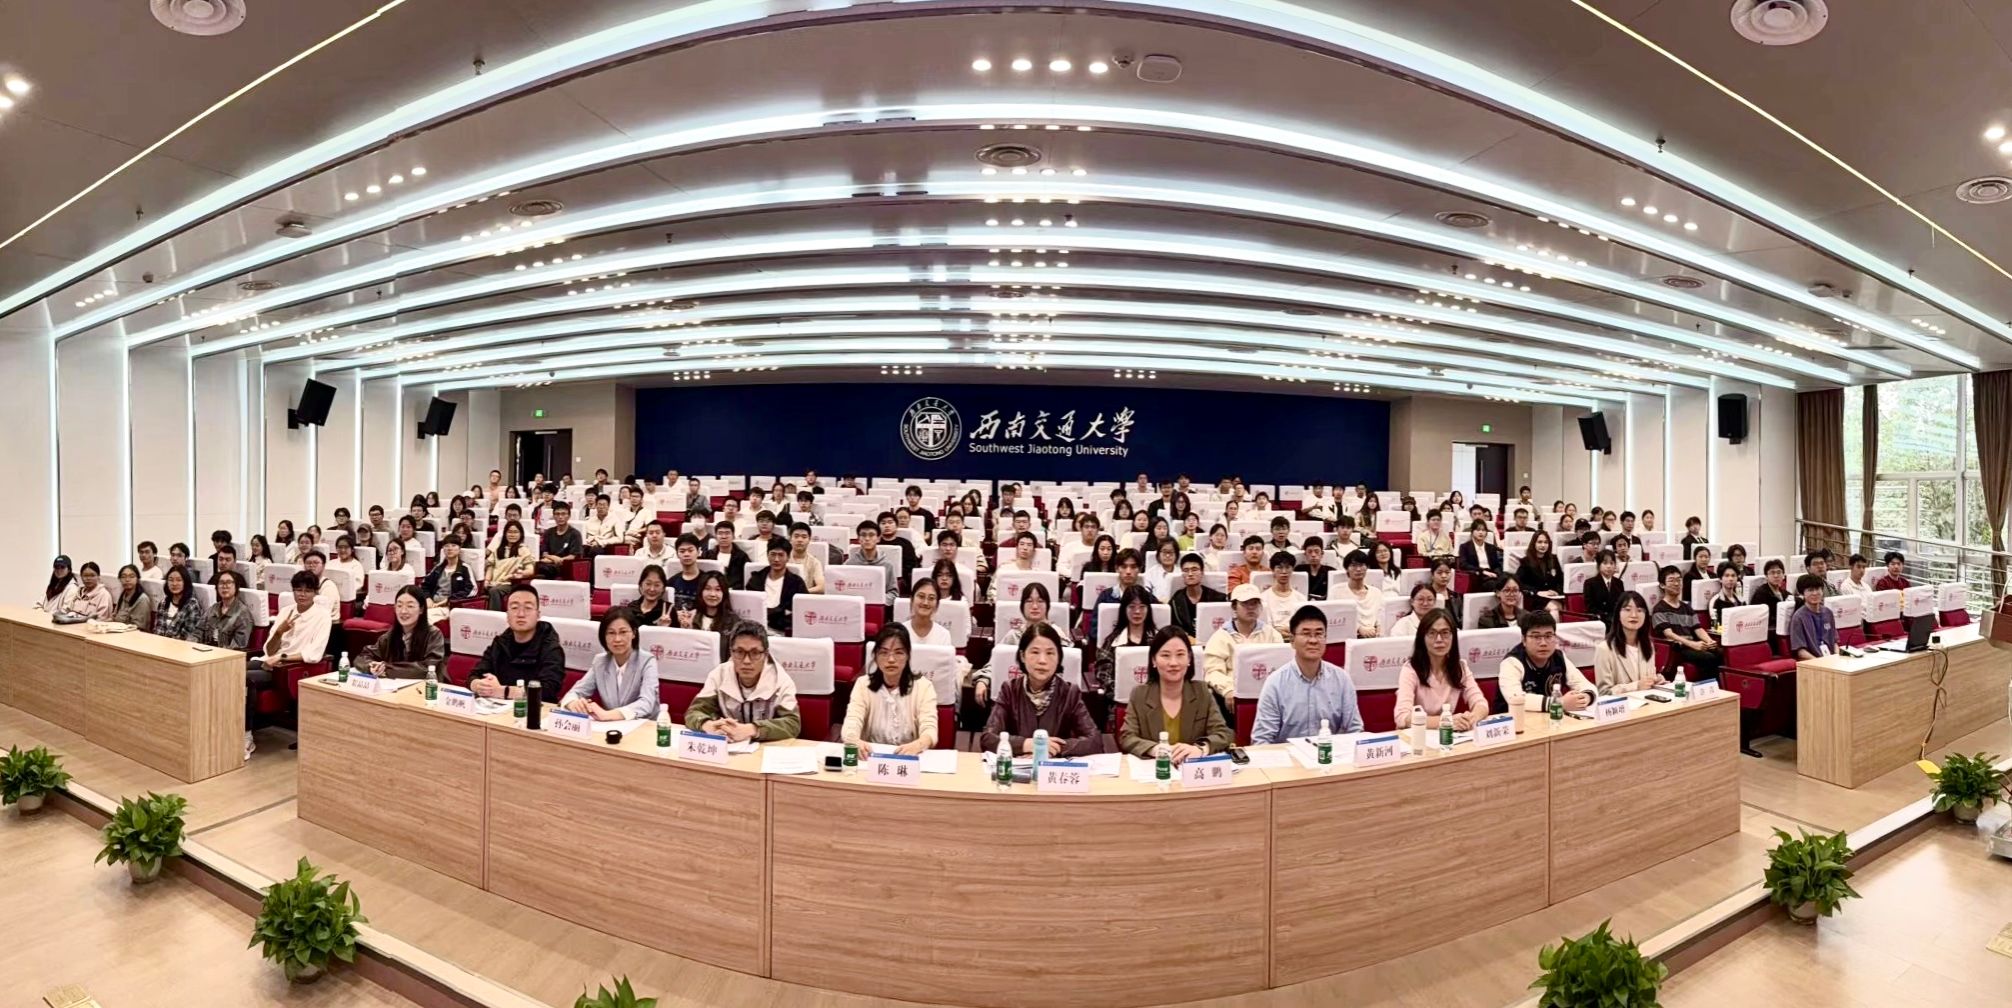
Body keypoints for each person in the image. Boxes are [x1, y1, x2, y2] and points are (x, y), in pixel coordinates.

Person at [244, 570, 333, 755]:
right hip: (270, 662)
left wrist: (282, 658)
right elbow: (269, 650)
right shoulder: (286, 611)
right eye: (298, 590)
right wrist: (279, 632)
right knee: (233, 670)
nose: (302, 594)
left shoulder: (322, 616)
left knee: (246, 678)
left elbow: (314, 654)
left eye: (308, 591)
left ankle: (246, 737)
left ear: (315, 593)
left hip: (290, 668)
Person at [980, 621, 1101, 757]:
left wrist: (1050, 748)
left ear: (1059, 658)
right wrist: (1026, 744)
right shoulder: (1009, 690)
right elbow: (988, 738)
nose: (1042, 660)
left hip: (1053, 767)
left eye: (1050, 653)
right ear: (1022, 656)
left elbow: (1095, 741)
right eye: (1035, 652)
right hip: (1017, 766)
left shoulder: (1069, 693)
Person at [1251, 606, 1363, 744]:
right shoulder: (1275, 683)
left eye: (1319, 634)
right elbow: (1262, 740)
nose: (1313, 640)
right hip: (1289, 756)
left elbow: (1355, 730)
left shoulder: (1341, 679)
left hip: (1330, 753)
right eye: (1306, 634)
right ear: (1292, 640)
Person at [1119, 626, 1233, 761]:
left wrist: (1201, 749)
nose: (1173, 663)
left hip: (1191, 768)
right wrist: (1155, 749)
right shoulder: (1140, 694)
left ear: (1189, 659)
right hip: (1155, 769)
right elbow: (1127, 737)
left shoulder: (1202, 692)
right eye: (1165, 655)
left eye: (1180, 655)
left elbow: (1224, 733)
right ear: (1154, 660)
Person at [687, 621, 802, 741]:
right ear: (731, 652)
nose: (747, 661)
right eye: (740, 652)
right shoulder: (719, 675)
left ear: (766, 654)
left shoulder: (781, 680)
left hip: (767, 748)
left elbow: (793, 724)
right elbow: (694, 712)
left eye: (755, 653)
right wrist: (708, 725)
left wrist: (752, 729)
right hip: (728, 745)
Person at [841, 623, 939, 753]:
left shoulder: (924, 687)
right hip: (871, 756)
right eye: (884, 652)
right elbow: (852, 721)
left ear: (908, 656)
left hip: (909, 757)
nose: (891, 659)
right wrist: (853, 740)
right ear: (875, 656)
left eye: (899, 652)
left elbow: (930, 729)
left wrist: (919, 745)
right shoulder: (862, 685)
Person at [558, 607, 661, 721]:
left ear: (634, 633)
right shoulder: (600, 661)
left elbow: (647, 703)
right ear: (604, 636)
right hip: (610, 726)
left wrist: (607, 715)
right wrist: (573, 703)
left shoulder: (647, 661)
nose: (617, 639)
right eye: (611, 633)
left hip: (644, 725)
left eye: (623, 632)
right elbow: (576, 692)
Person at [468, 584, 567, 702]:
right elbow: (475, 675)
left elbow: (548, 690)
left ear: (538, 615)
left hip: (534, 710)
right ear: (507, 615)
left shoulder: (551, 648)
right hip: (498, 707)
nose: (521, 614)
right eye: (514, 608)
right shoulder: (500, 642)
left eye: (528, 608)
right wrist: (478, 685)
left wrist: (502, 691)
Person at [1392, 609, 1486, 729]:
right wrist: (1446, 721)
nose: (1439, 639)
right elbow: (1402, 717)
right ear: (1422, 638)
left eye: (1445, 633)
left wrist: (1472, 718)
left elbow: (1480, 703)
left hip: (1447, 735)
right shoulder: (1411, 669)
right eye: (1432, 633)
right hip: (1417, 734)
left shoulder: (1460, 667)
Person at [1495, 610, 1595, 713]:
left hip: (1550, 717)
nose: (1543, 643)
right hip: (1513, 719)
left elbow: (1586, 685)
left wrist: (1585, 698)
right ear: (1524, 640)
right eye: (1536, 637)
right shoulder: (1511, 662)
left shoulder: (1558, 656)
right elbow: (1515, 698)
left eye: (1548, 636)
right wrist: (1560, 703)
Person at [1201, 583, 1285, 703]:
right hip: (1233, 695)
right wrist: (1228, 690)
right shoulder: (1221, 637)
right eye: (1245, 603)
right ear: (1234, 607)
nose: (1251, 608)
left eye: (1255, 603)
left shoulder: (1272, 634)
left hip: (1268, 694)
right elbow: (1213, 671)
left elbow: (1282, 666)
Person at [1093, 584, 1160, 721]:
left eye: (1142, 607)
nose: (1137, 612)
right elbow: (1103, 673)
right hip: (1121, 704)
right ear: (1124, 609)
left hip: (1156, 703)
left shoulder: (1159, 640)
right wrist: (1119, 692)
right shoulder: (1113, 640)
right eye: (1132, 607)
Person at [360, 585, 446, 679]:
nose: (403, 611)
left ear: (421, 609)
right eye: (399, 606)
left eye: (410, 606)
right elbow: (363, 657)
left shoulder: (434, 634)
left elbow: (428, 667)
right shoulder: (390, 636)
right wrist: (371, 666)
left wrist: (387, 669)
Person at [1652, 565, 1721, 681]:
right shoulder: (1659, 609)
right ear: (1662, 585)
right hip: (1677, 648)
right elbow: (1669, 634)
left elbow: (1698, 628)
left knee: (1720, 653)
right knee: (1708, 658)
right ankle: (1706, 688)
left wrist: (1709, 641)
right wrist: (1693, 644)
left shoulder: (1687, 607)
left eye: (1679, 580)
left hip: (1691, 645)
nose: (1676, 584)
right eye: (1671, 580)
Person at [1594, 592, 1663, 694]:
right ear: (1618, 614)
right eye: (1627, 610)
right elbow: (1603, 692)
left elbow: (1646, 682)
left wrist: (1655, 680)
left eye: (1639, 610)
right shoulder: (1604, 649)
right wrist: (1636, 686)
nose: (1634, 615)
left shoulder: (1648, 645)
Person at [745, 540, 807, 633]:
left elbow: (802, 611)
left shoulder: (796, 583)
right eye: (773, 554)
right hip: (756, 630)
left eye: (781, 555)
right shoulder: (756, 579)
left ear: (788, 557)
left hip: (784, 631)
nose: (776, 559)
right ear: (767, 555)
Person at [1168, 552, 1227, 639]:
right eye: (1186, 570)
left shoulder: (1218, 599)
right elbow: (1173, 629)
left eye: (1194, 569)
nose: (1190, 574)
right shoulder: (1175, 601)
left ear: (1202, 572)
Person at [844, 520, 902, 603]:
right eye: (863, 535)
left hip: (878, 606)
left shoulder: (887, 565)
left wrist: (879, 600)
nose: (867, 539)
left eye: (871, 535)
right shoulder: (849, 564)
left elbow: (893, 593)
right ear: (858, 539)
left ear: (878, 538)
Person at [421, 537, 476, 623]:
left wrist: (449, 600)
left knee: (424, 618)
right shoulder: (438, 568)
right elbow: (424, 585)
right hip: (432, 604)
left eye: (453, 545)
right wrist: (427, 598)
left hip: (450, 607)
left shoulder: (464, 568)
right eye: (446, 546)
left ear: (459, 549)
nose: (450, 548)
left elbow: (472, 590)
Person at [1335, 548, 1385, 638]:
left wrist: (1379, 628)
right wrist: (1358, 629)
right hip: (1348, 637)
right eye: (1353, 565)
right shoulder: (1336, 591)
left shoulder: (1376, 592)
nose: (1358, 569)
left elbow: (1381, 616)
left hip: (1374, 636)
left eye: (1361, 565)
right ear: (1347, 569)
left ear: (1367, 568)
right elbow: (1334, 618)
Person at [1788, 574, 1838, 660]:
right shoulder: (1798, 617)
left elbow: (1834, 642)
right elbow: (1800, 652)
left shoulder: (1828, 612)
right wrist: (1819, 662)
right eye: (1810, 590)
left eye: (1818, 589)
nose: (1815, 593)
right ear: (1802, 593)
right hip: (1812, 662)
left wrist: (1837, 656)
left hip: (1831, 660)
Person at [152, 566, 207, 641]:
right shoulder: (163, 603)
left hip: (181, 646)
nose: (174, 584)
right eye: (171, 580)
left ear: (185, 582)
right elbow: (158, 630)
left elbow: (188, 636)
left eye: (179, 580)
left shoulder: (192, 605)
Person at [1260, 551, 1308, 635]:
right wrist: (1277, 632)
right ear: (1272, 570)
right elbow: (1263, 625)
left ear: (1292, 569)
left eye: (1288, 567)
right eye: (1279, 567)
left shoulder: (1301, 598)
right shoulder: (1263, 598)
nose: (1284, 572)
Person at [206, 570, 255, 650]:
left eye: (229, 582)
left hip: (225, 654)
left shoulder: (243, 614)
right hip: (206, 651)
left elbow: (238, 646)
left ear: (236, 587)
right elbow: (198, 631)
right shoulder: (213, 608)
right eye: (221, 583)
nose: (224, 586)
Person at [534, 500, 584, 579]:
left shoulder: (575, 534)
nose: (560, 517)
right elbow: (544, 553)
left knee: (544, 570)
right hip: (549, 564)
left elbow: (574, 556)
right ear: (553, 516)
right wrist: (553, 558)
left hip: (566, 565)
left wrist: (557, 560)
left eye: (563, 514)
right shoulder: (549, 532)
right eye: (557, 514)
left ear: (569, 516)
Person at [1582, 548, 1626, 627]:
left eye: (1611, 563)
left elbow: (1621, 604)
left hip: (1616, 620)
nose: (1609, 566)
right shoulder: (1590, 583)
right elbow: (1590, 608)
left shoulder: (1619, 583)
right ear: (1599, 565)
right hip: (1599, 621)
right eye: (1605, 563)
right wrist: (1605, 616)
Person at [1517, 531, 1565, 602]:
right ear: (1534, 543)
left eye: (1546, 542)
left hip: (1554, 597)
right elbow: (1519, 583)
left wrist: (1557, 591)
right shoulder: (1526, 561)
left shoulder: (1554, 559)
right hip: (1536, 598)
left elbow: (1561, 580)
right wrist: (1537, 592)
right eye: (1540, 542)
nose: (1543, 545)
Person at [1458, 520, 1503, 594]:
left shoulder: (1491, 547)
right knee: (1493, 584)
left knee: (1507, 580)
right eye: (1478, 530)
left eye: (1483, 530)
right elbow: (1463, 564)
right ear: (1472, 532)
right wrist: (1482, 571)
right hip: (1477, 575)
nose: (1481, 532)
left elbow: (1496, 565)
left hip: (1492, 574)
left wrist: (1497, 574)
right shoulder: (1465, 547)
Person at [110, 564, 154, 629]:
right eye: (123, 577)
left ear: (137, 579)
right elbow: (115, 616)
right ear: (120, 579)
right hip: (117, 630)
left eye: (131, 576)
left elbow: (140, 627)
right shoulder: (123, 595)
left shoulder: (142, 599)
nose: (127, 580)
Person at [787, 523, 826, 593]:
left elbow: (821, 587)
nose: (800, 540)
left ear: (809, 540)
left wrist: (802, 592)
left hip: (805, 596)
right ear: (790, 539)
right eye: (796, 536)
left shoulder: (815, 562)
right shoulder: (782, 559)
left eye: (804, 537)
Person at [1709, 562, 1746, 630]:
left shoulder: (1741, 600)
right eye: (1727, 576)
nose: (1730, 579)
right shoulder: (1715, 601)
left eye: (1733, 575)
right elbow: (1715, 627)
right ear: (1720, 579)